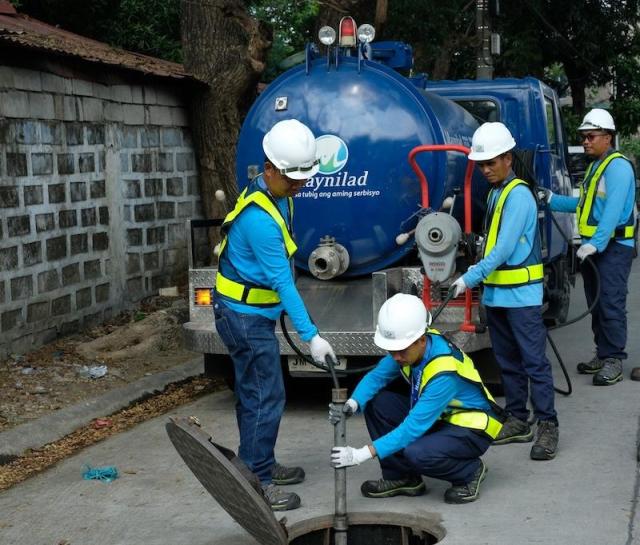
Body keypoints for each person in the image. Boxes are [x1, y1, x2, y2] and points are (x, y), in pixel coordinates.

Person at [213, 119, 337, 511]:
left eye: (303, 177)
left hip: (253, 312)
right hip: (243, 317)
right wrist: (312, 337)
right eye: (292, 177)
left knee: (258, 392)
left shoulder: (278, 193)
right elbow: (284, 284)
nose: (299, 184)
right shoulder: (260, 221)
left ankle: (258, 462)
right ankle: (258, 481)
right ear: (269, 168)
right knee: (265, 396)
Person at [451, 122, 560, 460]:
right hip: (497, 296)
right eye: (481, 165)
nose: (486, 170)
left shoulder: (519, 196)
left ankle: (547, 425)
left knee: (533, 362)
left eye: (491, 163)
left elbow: (501, 251)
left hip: (522, 298)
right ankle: (518, 418)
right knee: (507, 361)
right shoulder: (497, 193)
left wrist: (468, 278)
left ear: (508, 159)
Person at [329, 293, 503, 504]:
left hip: (470, 428)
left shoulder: (444, 372)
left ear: (421, 340)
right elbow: (378, 376)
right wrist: (352, 404)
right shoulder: (411, 347)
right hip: (441, 417)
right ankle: (403, 478)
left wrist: (362, 455)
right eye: (391, 351)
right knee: (377, 403)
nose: (396, 357)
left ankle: (469, 471)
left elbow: (413, 428)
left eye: (400, 351)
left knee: (417, 453)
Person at [539, 109, 636, 386]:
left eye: (591, 136)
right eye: (583, 136)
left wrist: (595, 244)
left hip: (614, 247)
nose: (586, 141)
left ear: (608, 137)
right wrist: (551, 199)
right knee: (596, 303)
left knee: (610, 303)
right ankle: (603, 353)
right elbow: (583, 206)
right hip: (597, 248)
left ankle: (614, 359)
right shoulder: (596, 167)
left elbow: (612, 213)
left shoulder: (618, 167)